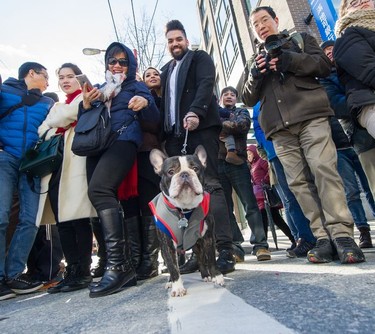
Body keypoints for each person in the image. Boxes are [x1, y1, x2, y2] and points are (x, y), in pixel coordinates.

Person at [241, 6, 364, 264]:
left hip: (311, 117)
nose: (261, 26)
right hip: (279, 129)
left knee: (323, 170)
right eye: (256, 24)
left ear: (275, 20)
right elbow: (247, 96)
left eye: (265, 20)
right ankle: (322, 238)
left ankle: (342, 235)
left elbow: (322, 65)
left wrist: (289, 59)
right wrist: (255, 75)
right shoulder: (254, 60)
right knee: (298, 183)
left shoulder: (300, 40)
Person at [82, 42, 159, 298]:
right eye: (112, 61)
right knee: (98, 196)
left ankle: (119, 266)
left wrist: (144, 103)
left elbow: (154, 119)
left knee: (101, 189)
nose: (116, 65)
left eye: (122, 61)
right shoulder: (99, 88)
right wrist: (86, 104)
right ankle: (120, 263)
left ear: (130, 65)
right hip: (97, 145)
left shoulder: (136, 86)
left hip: (124, 141)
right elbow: (87, 118)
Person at [159, 20, 236, 274]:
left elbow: (206, 83)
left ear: (185, 39)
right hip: (175, 136)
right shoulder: (167, 71)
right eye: (170, 40)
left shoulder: (199, 57)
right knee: (183, 194)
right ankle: (199, 252)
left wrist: (196, 111)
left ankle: (226, 248)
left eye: (178, 38)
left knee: (209, 185)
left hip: (199, 128)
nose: (175, 44)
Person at [36, 63, 97, 294]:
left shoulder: (88, 97)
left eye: (70, 76)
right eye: (61, 77)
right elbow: (42, 130)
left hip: (77, 165)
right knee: (62, 221)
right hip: (56, 168)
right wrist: (63, 120)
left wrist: (63, 119)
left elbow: (73, 113)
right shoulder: (58, 106)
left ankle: (83, 271)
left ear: (79, 78)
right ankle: (71, 270)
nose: (65, 81)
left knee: (78, 218)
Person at [0, 62, 54, 300]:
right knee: (1, 217)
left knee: (30, 221)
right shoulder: (5, 92)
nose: (48, 83)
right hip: (6, 158)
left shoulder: (47, 103)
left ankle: (13, 275)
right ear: (31, 73)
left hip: (30, 163)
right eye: (46, 77)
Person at [319, 41, 374, 248]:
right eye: (326, 53)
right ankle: (363, 232)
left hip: (361, 135)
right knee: (351, 192)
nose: (330, 55)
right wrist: (359, 100)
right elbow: (338, 104)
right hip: (343, 143)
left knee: (370, 186)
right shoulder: (324, 80)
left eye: (332, 51)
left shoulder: (351, 68)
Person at [252, 102, 316, 258]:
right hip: (276, 153)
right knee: (290, 198)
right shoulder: (258, 105)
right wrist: (269, 148)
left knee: (311, 188)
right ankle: (305, 237)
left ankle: (322, 234)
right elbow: (259, 129)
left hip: (301, 144)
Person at [217, 86, 271, 261]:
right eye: (226, 94)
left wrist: (219, 125)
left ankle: (261, 245)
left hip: (238, 162)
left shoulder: (241, 112)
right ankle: (236, 247)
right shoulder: (215, 113)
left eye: (232, 94)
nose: (229, 96)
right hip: (218, 164)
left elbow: (241, 126)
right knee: (225, 209)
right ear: (220, 98)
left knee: (250, 204)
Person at [120, 66, 162, 280]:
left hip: (147, 155)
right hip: (125, 156)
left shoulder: (153, 100)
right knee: (129, 207)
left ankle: (150, 260)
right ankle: (136, 259)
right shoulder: (119, 94)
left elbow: (157, 124)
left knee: (148, 205)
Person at [334, 0, 375, 140]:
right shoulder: (346, 35)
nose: (363, 2)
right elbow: (369, 69)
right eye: (354, 2)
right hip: (370, 102)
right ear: (345, 12)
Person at [246, 145, 295, 248]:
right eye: (247, 154)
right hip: (260, 197)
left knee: (268, 219)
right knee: (275, 219)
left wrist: (264, 181)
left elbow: (270, 172)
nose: (248, 156)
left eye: (250, 153)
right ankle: (292, 239)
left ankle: (263, 245)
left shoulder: (260, 162)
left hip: (265, 196)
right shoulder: (253, 165)